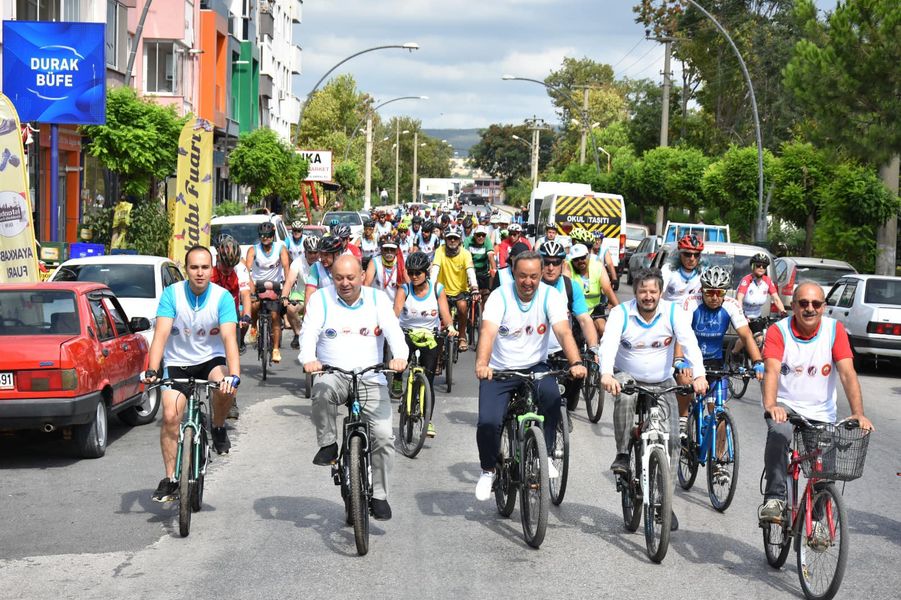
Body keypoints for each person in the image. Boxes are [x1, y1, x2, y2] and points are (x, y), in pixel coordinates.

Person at [300, 255, 409, 521]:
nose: (345, 283)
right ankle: (328, 444)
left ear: (362, 275)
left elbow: (394, 331)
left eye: (351, 277)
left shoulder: (377, 299)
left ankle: (380, 495)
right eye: (339, 278)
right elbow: (308, 332)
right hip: (334, 374)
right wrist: (308, 359)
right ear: (332, 277)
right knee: (322, 390)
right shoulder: (321, 299)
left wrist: (400, 356)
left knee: (383, 436)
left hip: (371, 377)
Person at [599, 268, 708, 530]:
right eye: (642, 291)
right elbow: (609, 344)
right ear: (635, 291)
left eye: (653, 291)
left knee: (671, 441)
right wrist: (605, 374)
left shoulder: (673, 313)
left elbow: (689, 343)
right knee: (625, 396)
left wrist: (700, 375)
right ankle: (624, 455)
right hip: (627, 376)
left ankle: (664, 503)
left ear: (660, 292)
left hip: (662, 382)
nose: (648, 296)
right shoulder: (621, 313)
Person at [474, 250, 587, 501]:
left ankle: (543, 454)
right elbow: (488, 333)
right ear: (513, 273)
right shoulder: (499, 296)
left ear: (540, 275)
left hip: (535, 366)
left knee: (551, 397)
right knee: (489, 422)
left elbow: (563, 332)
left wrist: (576, 362)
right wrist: (482, 363)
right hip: (500, 369)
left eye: (534, 276)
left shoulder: (551, 295)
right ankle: (488, 470)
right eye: (523, 276)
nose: (528, 282)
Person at [758, 281, 874, 523]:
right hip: (786, 405)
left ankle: (818, 523)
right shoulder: (778, 331)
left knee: (824, 471)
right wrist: (771, 406)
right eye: (803, 303)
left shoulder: (835, 330)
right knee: (779, 434)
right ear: (793, 306)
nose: (809, 308)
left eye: (815, 303)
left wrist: (858, 413)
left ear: (824, 307)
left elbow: (847, 373)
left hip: (821, 412)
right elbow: (771, 371)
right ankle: (775, 499)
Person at [143, 245, 241, 502]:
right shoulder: (171, 294)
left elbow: (230, 339)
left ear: (212, 269)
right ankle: (170, 478)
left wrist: (235, 376)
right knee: (170, 416)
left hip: (211, 360)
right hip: (177, 362)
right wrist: (152, 370)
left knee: (225, 386)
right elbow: (161, 335)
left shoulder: (222, 298)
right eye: (194, 267)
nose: (200, 273)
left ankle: (218, 426)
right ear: (186, 269)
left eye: (205, 267)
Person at [675, 266, 764, 439]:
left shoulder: (731, 305)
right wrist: (679, 359)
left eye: (719, 292)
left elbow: (746, 335)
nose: (714, 297)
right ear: (702, 290)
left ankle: (719, 464)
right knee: (684, 378)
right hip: (690, 360)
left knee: (720, 415)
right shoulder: (691, 302)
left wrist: (758, 362)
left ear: (725, 292)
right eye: (709, 292)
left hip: (715, 361)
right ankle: (683, 419)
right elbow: (680, 334)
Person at [393, 251, 457, 437]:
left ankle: (427, 420)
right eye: (410, 272)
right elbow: (396, 312)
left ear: (425, 272)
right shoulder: (404, 289)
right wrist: (390, 327)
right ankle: (397, 379)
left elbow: (444, 312)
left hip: (430, 335)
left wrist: (451, 326)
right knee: (401, 356)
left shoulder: (437, 289)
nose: (413, 277)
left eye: (417, 273)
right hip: (407, 333)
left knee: (428, 381)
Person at [539, 241, 599, 426]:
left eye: (555, 262)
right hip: (534, 350)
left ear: (562, 264)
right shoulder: (530, 284)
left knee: (578, 372)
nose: (550, 267)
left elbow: (584, 319)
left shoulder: (571, 287)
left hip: (560, 348)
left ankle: (564, 410)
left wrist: (594, 348)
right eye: (546, 262)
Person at [211, 235, 252, 419]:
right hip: (209, 316)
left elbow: (245, 295)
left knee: (229, 360)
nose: (227, 271)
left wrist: (247, 315)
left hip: (230, 317)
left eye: (230, 267)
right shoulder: (209, 269)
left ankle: (231, 400)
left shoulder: (240, 269)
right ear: (218, 258)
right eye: (224, 267)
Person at [245, 221, 290, 363]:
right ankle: (253, 326)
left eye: (268, 236)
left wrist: (286, 293)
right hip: (257, 285)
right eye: (262, 236)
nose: (265, 238)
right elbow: (246, 271)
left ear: (272, 236)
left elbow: (286, 269)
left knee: (276, 315)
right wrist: (251, 291)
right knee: (254, 306)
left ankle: (275, 349)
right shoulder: (253, 250)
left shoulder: (280, 248)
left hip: (275, 286)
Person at [430, 225, 479, 351]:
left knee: (463, 307)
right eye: (450, 238)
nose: (452, 241)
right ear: (445, 239)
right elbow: (435, 270)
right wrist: (431, 286)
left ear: (460, 240)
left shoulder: (465, 253)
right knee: (438, 316)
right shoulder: (439, 251)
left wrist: (474, 287)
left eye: (455, 238)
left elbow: (470, 271)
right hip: (442, 291)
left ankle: (462, 335)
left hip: (460, 291)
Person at [733, 253, 787, 358]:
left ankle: (755, 361)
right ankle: (733, 354)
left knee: (760, 338)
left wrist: (783, 312)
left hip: (756, 316)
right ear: (753, 266)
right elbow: (739, 299)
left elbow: (776, 298)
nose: (761, 268)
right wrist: (742, 315)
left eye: (764, 266)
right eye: (758, 265)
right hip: (742, 314)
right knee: (745, 337)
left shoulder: (767, 281)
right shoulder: (746, 280)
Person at [569, 242, 618, 339]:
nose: (580, 261)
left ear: (588, 256)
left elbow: (607, 289)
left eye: (582, 258)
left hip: (595, 309)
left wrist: (619, 309)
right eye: (576, 259)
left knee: (603, 329)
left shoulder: (597, 266)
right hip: (575, 310)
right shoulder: (568, 267)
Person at [282, 235, 320, 350]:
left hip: (318, 297)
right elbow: (289, 281)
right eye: (310, 253)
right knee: (290, 308)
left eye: (315, 252)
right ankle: (298, 333)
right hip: (301, 296)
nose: (313, 256)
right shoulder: (298, 262)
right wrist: (284, 296)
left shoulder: (323, 262)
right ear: (305, 252)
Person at [661, 234, 705, 302]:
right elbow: (658, 292)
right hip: (670, 310)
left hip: (690, 311)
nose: (692, 259)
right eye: (687, 254)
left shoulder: (703, 272)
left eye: (696, 255)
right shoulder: (668, 269)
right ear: (680, 254)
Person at [365, 234, 406, 302]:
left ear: (396, 251)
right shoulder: (374, 262)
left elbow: (409, 284)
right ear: (381, 250)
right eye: (386, 249)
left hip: (394, 303)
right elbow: (366, 284)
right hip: (377, 303)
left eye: (392, 249)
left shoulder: (402, 263)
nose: (389, 252)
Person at [464, 225, 497, 297]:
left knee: (486, 293)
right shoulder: (467, 240)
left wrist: (494, 270)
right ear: (474, 235)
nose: (481, 237)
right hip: (471, 270)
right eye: (478, 235)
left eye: (483, 235)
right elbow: (465, 257)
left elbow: (491, 256)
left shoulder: (487, 240)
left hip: (484, 272)